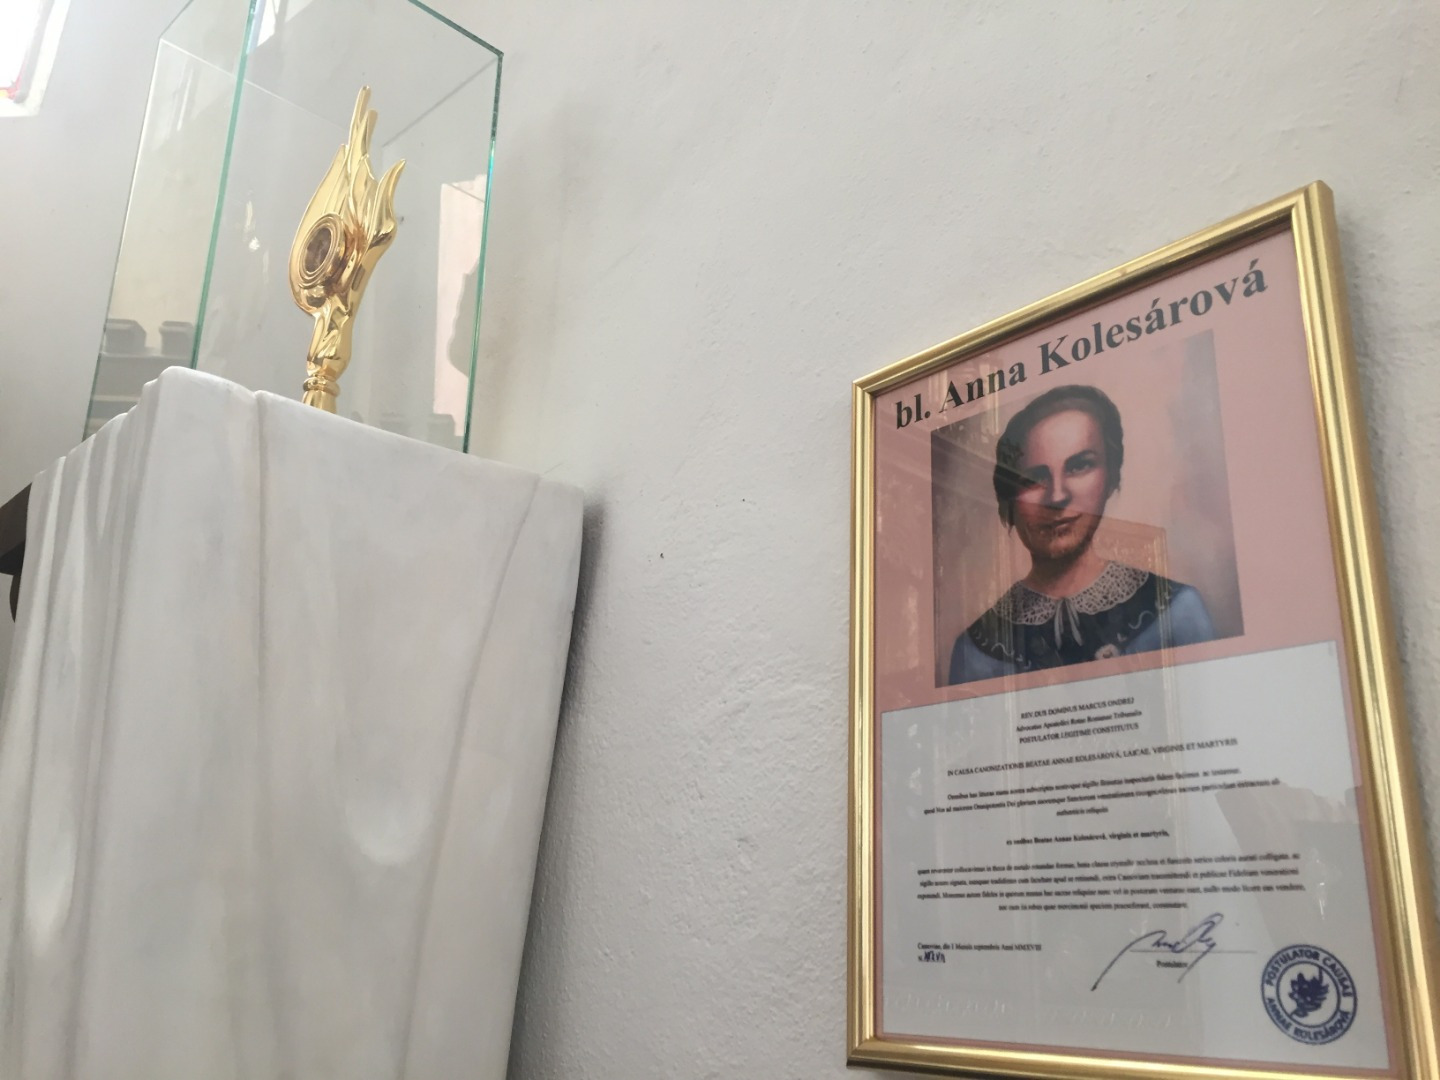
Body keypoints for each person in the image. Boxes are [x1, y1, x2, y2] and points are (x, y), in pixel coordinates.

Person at [948, 384, 1215, 686]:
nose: (1057, 496)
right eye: (1033, 478)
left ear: (1110, 477)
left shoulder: (1178, 612)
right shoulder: (975, 649)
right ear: (1009, 498)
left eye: (1079, 466)